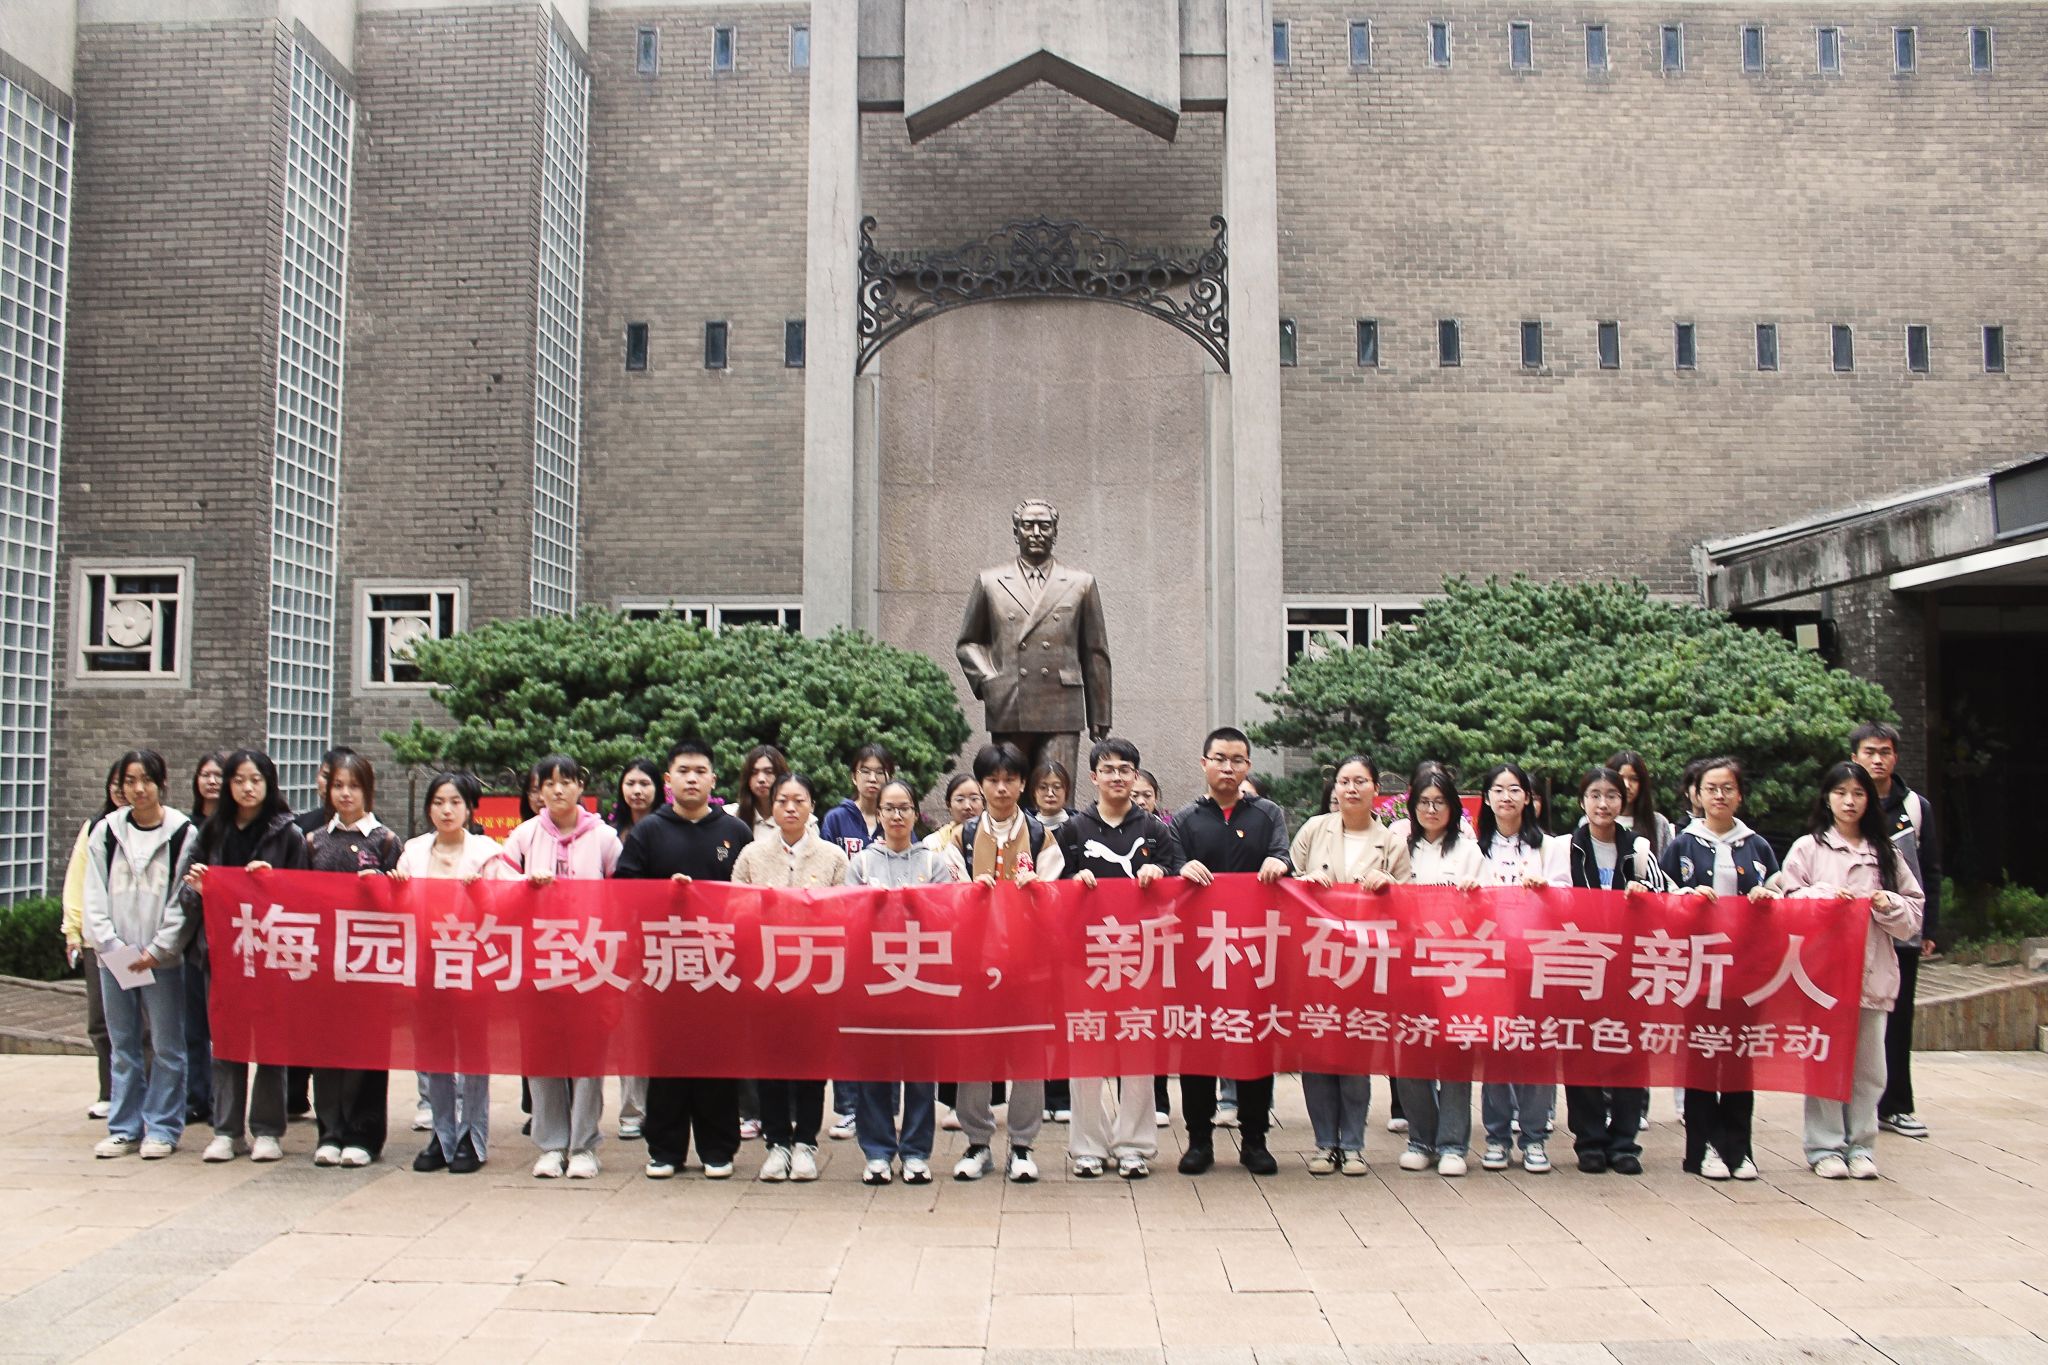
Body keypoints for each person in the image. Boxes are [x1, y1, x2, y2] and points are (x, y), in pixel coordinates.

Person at [1773, 760, 1924, 1180]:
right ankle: (1824, 1147)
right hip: (1820, 977)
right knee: (1824, 1062)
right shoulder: (1808, 848)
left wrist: (1888, 905)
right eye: (1840, 793)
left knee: (1869, 1069)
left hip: (1871, 973)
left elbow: (1914, 915)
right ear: (1827, 798)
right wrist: (1822, 896)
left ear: (1869, 801)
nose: (1849, 801)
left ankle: (1861, 1146)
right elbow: (1786, 903)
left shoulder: (1886, 852)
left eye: (1858, 794)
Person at [615, 739, 752, 1180]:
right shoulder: (649, 832)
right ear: (668, 780)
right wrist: (663, 894)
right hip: (663, 965)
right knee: (666, 1061)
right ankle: (665, 1149)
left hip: (720, 965)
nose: (692, 779)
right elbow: (622, 891)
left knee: (717, 1060)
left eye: (700, 771)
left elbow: (751, 896)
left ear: (714, 779)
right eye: (683, 771)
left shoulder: (735, 831)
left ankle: (718, 1148)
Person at [1055, 737, 1180, 1180]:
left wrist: (1160, 872)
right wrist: (1074, 880)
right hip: (1086, 958)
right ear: (1094, 777)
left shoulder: (1156, 830)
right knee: (1086, 1054)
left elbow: (1179, 879)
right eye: (1108, 769)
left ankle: (1134, 1146)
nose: (1117, 777)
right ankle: (1087, 1147)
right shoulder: (1073, 829)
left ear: (1135, 775)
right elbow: (1052, 883)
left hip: (1140, 957)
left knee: (1138, 1054)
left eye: (1125, 769)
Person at [1171, 725, 1291, 1177]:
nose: (1228, 767)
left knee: (1254, 1042)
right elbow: (1170, 866)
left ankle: (1255, 1140)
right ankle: (1198, 1140)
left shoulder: (1267, 814)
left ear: (1247, 766)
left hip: (1254, 953)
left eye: (1236, 760)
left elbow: (1283, 857)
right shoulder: (1185, 819)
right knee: (1197, 1046)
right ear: (1204, 764)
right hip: (1199, 953)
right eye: (1219, 758)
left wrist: (1279, 862)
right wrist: (1183, 868)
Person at [180, 749, 308, 1163]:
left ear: (269, 784)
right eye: (239, 780)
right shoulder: (211, 832)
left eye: (256, 780)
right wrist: (199, 889)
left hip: (271, 953)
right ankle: (227, 1130)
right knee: (226, 1041)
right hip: (222, 953)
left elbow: (306, 897)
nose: (247, 788)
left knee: (270, 1044)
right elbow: (184, 894)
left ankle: (268, 1129)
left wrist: (274, 884)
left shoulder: (288, 834)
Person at [499, 753, 622, 1179]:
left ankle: (584, 1145)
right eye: (547, 783)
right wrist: (525, 886)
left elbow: (624, 894)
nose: (557, 790)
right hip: (538, 959)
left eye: (565, 781)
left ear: (579, 786)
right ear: (538, 791)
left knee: (588, 1055)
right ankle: (551, 1144)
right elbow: (499, 884)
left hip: (590, 960)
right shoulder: (524, 836)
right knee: (543, 1052)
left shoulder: (604, 838)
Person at [1290, 753, 1412, 1176]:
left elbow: (1410, 902)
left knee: (1355, 1057)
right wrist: (1304, 883)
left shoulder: (1392, 842)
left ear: (1376, 788)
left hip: (1366, 963)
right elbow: (1287, 884)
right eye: (1345, 781)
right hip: (1317, 960)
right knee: (1318, 1055)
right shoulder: (1313, 830)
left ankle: (1354, 1145)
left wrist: (1390, 886)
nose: (1352, 789)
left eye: (1361, 781)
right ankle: (1325, 1144)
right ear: (1335, 788)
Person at [947, 742, 1064, 1182]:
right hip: (974, 965)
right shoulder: (960, 837)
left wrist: (1037, 890)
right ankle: (978, 1142)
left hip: (1027, 965)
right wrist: (968, 892)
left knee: (1028, 1055)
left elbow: (1058, 898)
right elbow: (946, 896)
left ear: (1022, 784)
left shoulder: (1040, 835)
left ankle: (1023, 1146)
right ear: (980, 784)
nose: (1001, 788)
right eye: (992, 780)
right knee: (973, 1054)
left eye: (1009, 779)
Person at [1660, 755, 1780, 1181]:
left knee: (1739, 1060)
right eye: (1711, 788)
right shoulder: (1682, 845)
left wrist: (1768, 899)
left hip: (1746, 971)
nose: (1719, 796)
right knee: (1702, 1059)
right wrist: (1687, 900)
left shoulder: (1757, 846)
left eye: (1728, 788)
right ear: (1697, 795)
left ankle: (1739, 1149)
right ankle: (1704, 1149)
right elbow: (1663, 901)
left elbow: (1781, 899)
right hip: (1698, 968)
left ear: (1740, 795)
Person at [732, 772, 849, 1181]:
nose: (790, 808)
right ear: (773, 806)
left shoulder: (833, 857)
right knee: (770, 1064)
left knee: (811, 1065)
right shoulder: (752, 855)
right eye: (782, 800)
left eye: (799, 800)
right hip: (766, 974)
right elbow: (733, 908)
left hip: (816, 976)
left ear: (812, 806)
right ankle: (777, 1143)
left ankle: (805, 1143)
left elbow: (847, 912)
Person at [847, 778, 961, 1185]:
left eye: (904, 808)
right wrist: (869, 904)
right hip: (874, 981)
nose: (897, 816)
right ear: (878, 814)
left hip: (921, 980)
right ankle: (877, 1152)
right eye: (889, 808)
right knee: (874, 1071)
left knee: (919, 1074)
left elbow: (950, 917)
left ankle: (915, 1152)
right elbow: (845, 920)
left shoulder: (933, 863)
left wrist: (921, 903)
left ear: (916, 813)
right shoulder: (861, 864)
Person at [85, 750, 198, 1160]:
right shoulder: (107, 831)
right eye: (129, 781)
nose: (138, 789)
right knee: (124, 1045)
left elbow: (183, 898)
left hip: (160, 959)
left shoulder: (182, 832)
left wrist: (157, 949)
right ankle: (124, 1128)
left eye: (146, 780)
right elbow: (93, 892)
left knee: (167, 1046)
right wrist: (111, 945)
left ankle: (163, 1128)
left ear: (161, 784)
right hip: (115, 956)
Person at [390, 771, 504, 1174]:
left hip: (470, 962)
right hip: (428, 963)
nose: (447, 810)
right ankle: (442, 1134)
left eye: (455, 802)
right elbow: (399, 911)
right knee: (433, 1051)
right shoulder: (413, 851)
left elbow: (504, 909)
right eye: (438, 802)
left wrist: (480, 892)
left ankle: (473, 1137)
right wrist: (394, 888)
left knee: (472, 1053)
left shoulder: (487, 852)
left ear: (468, 808)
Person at [1561, 766, 1669, 1176]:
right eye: (1595, 795)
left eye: (1611, 796)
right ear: (1582, 801)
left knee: (1628, 1052)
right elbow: (1552, 895)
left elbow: (1664, 895)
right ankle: (1589, 1141)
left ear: (1623, 802)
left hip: (1630, 966)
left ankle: (1625, 1142)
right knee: (1581, 1053)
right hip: (1580, 963)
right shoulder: (1567, 847)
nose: (1603, 804)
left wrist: (1645, 894)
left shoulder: (1638, 848)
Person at [305, 752, 404, 1167]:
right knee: (327, 1050)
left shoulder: (385, 841)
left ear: (368, 791)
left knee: (368, 1050)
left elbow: (403, 906)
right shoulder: (313, 841)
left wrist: (385, 885)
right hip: (325, 960)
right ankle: (330, 1130)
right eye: (338, 786)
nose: (345, 794)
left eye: (354, 786)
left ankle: (364, 1134)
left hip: (370, 961)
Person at [1475, 762, 1567, 1175]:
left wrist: (1547, 891)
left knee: (1537, 1049)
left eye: (1515, 789)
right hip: (1489, 962)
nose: (1506, 797)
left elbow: (1570, 898)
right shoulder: (1473, 846)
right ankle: (1496, 1137)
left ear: (1528, 798)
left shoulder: (1550, 847)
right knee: (1495, 1051)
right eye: (1498, 789)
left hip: (1537, 961)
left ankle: (1534, 1138)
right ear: (1487, 798)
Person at [1850, 722, 1940, 1141]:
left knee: (1899, 1019)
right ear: (1855, 757)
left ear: (1895, 757)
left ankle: (1897, 1106)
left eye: (1884, 752)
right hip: (1851, 933)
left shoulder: (1915, 807)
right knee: (1852, 1021)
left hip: (1901, 929)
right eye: (1869, 752)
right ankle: (1848, 1106)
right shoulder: (1846, 803)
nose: (1877, 760)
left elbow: (1930, 872)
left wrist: (1928, 927)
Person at [1394, 764, 1485, 1176]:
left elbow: (1491, 906)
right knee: (1411, 1054)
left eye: (1440, 803)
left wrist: (1475, 894)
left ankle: (1452, 1144)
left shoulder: (1468, 851)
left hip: (1455, 966)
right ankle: (1420, 1139)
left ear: (1453, 808)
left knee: (1453, 1058)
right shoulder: (1400, 847)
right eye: (1424, 802)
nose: (1431, 810)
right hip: (1407, 966)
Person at [819, 743, 893, 1137]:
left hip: (886, 937)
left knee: (885, 1021)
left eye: (880, 772)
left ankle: (887, 1107)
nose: (873, 779)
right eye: (866, 771)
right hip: (845, 933)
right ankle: (847, 1108)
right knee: (846, 1023)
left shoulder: (895, 816)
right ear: (854, 776)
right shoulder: (836, 819)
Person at [604, 755, 664, 1138]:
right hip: (621, 942)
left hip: (664, 940)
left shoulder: (667, 828)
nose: (637, 791)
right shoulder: (609, 833)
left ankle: (661, 1108)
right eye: (631, 783)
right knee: (630, 1028)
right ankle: (632, 1111)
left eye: (645, 783)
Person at [63, 759, 126, 1120]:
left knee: (139, 1021)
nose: (123, 789)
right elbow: (78, 880)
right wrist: (73, 929)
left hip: (133, 941)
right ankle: (109, 1091)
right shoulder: (95, 828)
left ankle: (140, 1091)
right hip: (98, 942)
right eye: (117, 782)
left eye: (131, 781)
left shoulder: (157, 828)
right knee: (101, 1020)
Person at [180, 752, 227, 1126]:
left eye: (219, 775)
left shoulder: (233, 829)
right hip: (195, 942)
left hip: (231, 941)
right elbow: (182, 888)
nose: (212, 781)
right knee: (192, 1026)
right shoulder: (187, 830)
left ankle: (222, 1102)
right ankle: (197, 1096)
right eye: (205, 774)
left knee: (222, 1028)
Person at [1608, 749, 1676, 853]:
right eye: (1621, 778)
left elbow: (1667, 860)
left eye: (1634, 779)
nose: (1627, 785)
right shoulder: (1595, 820)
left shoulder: (1658, 823)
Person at [733, 743, 792, 841]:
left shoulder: (801, 819)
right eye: (754, 773)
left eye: (768, 772)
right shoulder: (731, 817)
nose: (761, 779)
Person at [922, 772, 984, 854]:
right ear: (949, 805)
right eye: (960, 800)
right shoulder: (932, 843)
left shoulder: (995, 838)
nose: (967, 806)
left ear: (983, 803)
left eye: (974, 799)